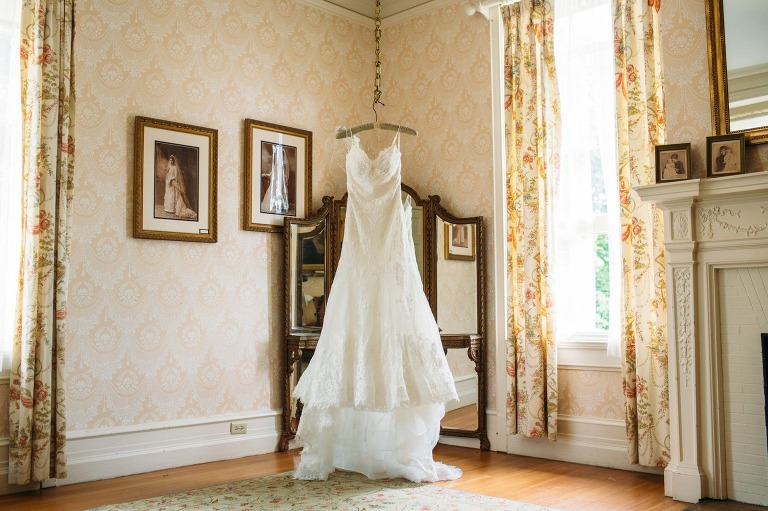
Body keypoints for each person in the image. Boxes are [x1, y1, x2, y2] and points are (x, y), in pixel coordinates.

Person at [292, 130, 461, 483]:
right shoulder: (355, 156)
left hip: (390, 250)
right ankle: (353, 449)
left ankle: (400, 450)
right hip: (358, 251)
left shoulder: (394, 152)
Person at [163, 155, 196, 220]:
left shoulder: (175, 167)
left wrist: (171, 179)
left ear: (173, 161)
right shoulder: (169, 167)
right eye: (170, 160)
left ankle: (173, 208)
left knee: (174, 194)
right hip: (169, 183)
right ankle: (168, 208)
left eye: (172, 160)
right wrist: (167, 180)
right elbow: (167, 175)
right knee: (169, 195)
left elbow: (175, 175)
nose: (171, 161)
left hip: (173, 182)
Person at [263, 144, 290, 214]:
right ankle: (275, 204)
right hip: (277, 179)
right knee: (275, 189)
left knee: (281, 190)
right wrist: (268, 175)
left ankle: (281, 206)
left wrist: (285, 179)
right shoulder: (278, 163)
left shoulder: (285, 163)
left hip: (282, 179)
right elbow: (274, 171)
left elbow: (286, 172)